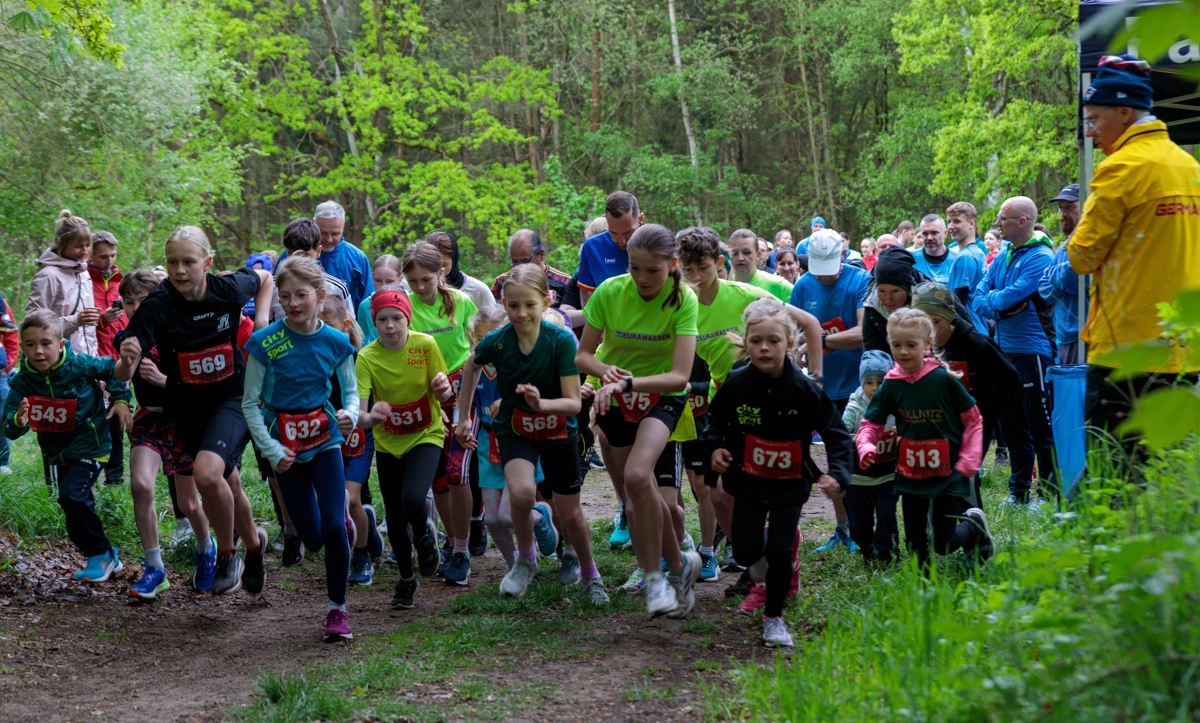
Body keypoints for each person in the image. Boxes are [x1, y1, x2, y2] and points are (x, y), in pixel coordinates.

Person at [117, 226, 275, 596]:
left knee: (207, 475)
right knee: (229, 482)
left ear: (207, 262)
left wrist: (263, 322)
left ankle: (226, 554)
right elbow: (125, 365)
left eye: (189, 262)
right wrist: (126, 364)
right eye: (172, 262)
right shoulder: (158, 304)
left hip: (230, 399)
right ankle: (254, 547)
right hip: (185, 404)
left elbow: (266, 276)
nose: (180, 270)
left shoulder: (229, 289)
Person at [1069, 54, 1200, 464]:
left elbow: (1081, 256)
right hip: (1183, 351)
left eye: (1093, 120)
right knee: (1169, 476)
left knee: (1116, 477)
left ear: (1124, 111)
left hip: (1124, 353)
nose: (1090, 133)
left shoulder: (1120, 169)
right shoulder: (1189, 166)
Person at [677, 227, 824, 587]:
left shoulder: (744, 295)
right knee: (717, 493)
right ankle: (756, 562)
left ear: (720, 264)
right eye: (687, 270)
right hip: (724, 405)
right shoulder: (680, 306)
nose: (695, 278)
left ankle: (773, 561)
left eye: (703, 268)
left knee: (766, 488)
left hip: (767, 404)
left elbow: (810, 324)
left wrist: (816, 380)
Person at [704, 297, 853, 648]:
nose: (764, 348)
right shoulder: (737, 382)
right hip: (750, 479)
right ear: (746, 342)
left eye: (773, 341)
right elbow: (715, 419)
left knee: (780, 552)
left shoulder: (804, 388)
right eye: (756, 341)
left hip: (790, 482)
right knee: (744, 550)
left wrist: (839, 474)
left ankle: (774, 617)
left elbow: (835, 432)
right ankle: (769, 564)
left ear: (789, 343)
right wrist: (715, 447)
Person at [455, 264, 609, 603]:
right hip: (515, 429)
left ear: (547, 301)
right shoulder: (497, 340)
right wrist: (464, 416)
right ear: (504, 304)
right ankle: (526, 559)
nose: (521, 313)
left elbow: (572, 404)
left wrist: (542, 404)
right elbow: (471, 365)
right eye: (513, 306)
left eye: (529, 305)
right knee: (522, 495)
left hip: (557, 430)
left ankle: (590, 573)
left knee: (570, 514)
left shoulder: (561, 341)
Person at [576, 223, 703, 619]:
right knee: (637, 499)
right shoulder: (611, 292)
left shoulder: (683, 299)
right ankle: (674, 571)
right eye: (635, 269)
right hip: (612, 399)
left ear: (672, 264)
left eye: (653, 271)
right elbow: (583, 356)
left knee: (637, 475)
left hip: (661, 398)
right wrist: (607, 372)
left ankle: (656, 577)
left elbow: (680, 375)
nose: (643, 279)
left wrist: (629, 382)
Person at [243, 256, 359, 641]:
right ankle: (337, 520)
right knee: (312, 538)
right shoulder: (263, 342)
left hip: (325, 440)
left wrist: (350, 415)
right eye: (286, 296)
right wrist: (272, 450)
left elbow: (352, 392)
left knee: (333, 529)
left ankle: (337, 610)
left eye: (302, 296)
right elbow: (249, 403)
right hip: (284, 445)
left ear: (320, 295)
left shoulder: (337, 341)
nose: (293, 304)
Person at [855, 308, 993, 571]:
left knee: (944, 543)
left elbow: (973, 419)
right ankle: (924, 596)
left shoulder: (942, 379)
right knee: (916, 544)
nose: (903, 352)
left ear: (927, 344)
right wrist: (866, 444)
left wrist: (970, 458)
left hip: (947, 473)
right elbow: (872, 422)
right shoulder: (891, 384)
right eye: (896, 345)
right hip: (910, 475)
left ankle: (974, 524)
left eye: (911, 345)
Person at [3, 310, 132, 583]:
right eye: (30, 344)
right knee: (69, 505)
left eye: (45, 343)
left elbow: (112, 369)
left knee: (72, 495)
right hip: (56, 452)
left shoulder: (81, 365)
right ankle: (106, 554)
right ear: (22, 346)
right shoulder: (23, 379)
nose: (38, 351)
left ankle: (101, 554)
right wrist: (19, 419)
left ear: (60, 344)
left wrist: (120, 399)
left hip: (91, 443)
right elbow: (9, 429)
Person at [355, 289, 453, 609]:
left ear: (407, 318)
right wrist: (372, 416)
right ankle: (407, 579)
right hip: (388, 443)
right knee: (395, 517)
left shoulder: (426, 345)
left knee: (413, 498)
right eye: (382, 319)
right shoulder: (367, 357)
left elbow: (442, 391)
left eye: (397, 318)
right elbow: (360, 413)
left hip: (426, 434)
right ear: (375, 322)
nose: (390, 325)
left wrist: (443, 389)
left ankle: (425, 537)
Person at [118, 270, 213, 598]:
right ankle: (154, 568)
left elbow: (198, 381)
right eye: (127, 302)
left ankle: (206, 549)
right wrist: (127, 364)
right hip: (148, 421)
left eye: (141, 300)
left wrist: (163, 380)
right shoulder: (129, 335)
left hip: (182, 420)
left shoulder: (180, 331)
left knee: (188, 502)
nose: (134, 307)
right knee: (141, 485)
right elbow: (121, 373)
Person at [788, 229, 871, 553]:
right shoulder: (803, 285)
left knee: (855, 461)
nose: (824, 278)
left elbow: (863, 332)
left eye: (830, 269)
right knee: (831, 463)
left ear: (842, 256)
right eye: (818, 270)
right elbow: (792, 335)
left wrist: (819, 340)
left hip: (857, 387)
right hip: (818, 387)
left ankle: (863, 528)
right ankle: (842, 528)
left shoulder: (859, 280)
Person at [402, 242, 478, 585]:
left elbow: (478, 349)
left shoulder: (461, 303)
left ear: (441, 273)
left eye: (426, 279)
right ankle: (452, 542)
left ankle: (462, 552)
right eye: (413, 280)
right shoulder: (406, 309)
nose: (420, 287)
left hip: (464, 393)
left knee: (458, 471)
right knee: (439, 480)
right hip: (427, 398)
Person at [972, 197, 1056, 504]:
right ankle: (1018, 493)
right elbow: (979, 298)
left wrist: (996, 303)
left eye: (1003, 218)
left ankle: (1047, 496)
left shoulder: (1041, 257)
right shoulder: (1005, 254)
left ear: (1023, 221)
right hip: (1004, 352)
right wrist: (999, 309)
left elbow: (1012, 296)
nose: (997, 223)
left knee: (1041, 429)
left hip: (1033, 352)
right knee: (1012, 427)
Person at [912, 282, 1019, 508]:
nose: (928, 329)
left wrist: (985, 415)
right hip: (940, 422)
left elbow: (1010, 378)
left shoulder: (975, 343)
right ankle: (947, 530)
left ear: (949, 317)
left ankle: (974, 529)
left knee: (963, 475)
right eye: (921, 323)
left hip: (976, 421)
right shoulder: (918, 346)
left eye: (935, 322)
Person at [317, 295, 384, 584]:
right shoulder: (311, 358)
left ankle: (362, 555)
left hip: (358, 438)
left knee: (350, 496)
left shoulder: (361, 358)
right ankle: (362, 527)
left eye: (329, 327)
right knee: (332, 501)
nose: (323, 334)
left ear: (345, 325)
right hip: (323, 438)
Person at [841, 350, 898, 564]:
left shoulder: (896, 405)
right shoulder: (855, 408)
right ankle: (866, 548)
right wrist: (856, 439)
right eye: (869, 382)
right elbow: (840, 435)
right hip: (858, 479)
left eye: (880, 382)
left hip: (887, 476)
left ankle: (889, 555)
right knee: (860, 525)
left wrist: (900, 433)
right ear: (862, 384)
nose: (875, 388)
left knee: (886, 517)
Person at [83, 231, 129, 487]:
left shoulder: (121, 281)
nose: (109, 260)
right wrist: (102, 319)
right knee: (92, 417)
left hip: (119, 362)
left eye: (112, 255)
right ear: (91, 253)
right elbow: (80, 321)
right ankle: (89, 472)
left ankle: (115, 478)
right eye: (103, 256)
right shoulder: (83, 280)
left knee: (116, 418)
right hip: (92, 359)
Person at [28, 210, 99, 358]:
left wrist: (95, 364)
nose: (85, 251)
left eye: (88, 245)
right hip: (58, 363)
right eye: (78, 246)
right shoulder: (48, 276)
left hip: (86, 363)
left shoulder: (84, 273)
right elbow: (32, 325)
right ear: (60, 244)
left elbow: (89, 333)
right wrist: (75, 320)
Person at [1039, 184, 1088, 366]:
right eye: (1060, 208)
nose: (1063, 213)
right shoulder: (1062, 248)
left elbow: (1078, 279)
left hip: (1087, 338)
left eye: (1070, 207)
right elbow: (1044, 291)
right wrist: (1062, 274)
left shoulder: (1090, 244)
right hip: (1066, 339)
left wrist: (1053, 274)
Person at [577, 191, 643, 307]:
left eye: (628, 232)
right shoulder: (592, 248)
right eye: (613, 233)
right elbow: (588, 306)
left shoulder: (657, 244)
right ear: (606, 220)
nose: (621, 241)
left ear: (640, 219)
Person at [281, 219, 354, 316]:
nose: (297, 261)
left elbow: (348, 326)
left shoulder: (336, 289)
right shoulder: (273, 287)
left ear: (318, 251)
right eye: (291, 253)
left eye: (305, 255)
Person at [490, 229, 572, 304]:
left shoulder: (564, 283)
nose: (520, 267)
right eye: (515, 262)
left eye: (526, 261)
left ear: (541, 255)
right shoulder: (502, 282)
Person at [425, 230, 496, 315]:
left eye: (444, 265)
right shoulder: (420, 291)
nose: (439, 272)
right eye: (432, 266)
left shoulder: (479, 291)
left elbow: (493, 324)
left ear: (454, 260)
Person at [946, 203, 988, 332]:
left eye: (957, 221)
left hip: (969, 330)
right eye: (949, 221)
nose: (951, 226)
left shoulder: (965, 257)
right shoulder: (979, 253)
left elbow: (959, 303)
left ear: (971, 223)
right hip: (980, 328)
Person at [728, 229, 792, 302]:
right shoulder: (724, 287)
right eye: (734, 253)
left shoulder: (779, 286)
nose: (740, 258)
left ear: (758, 255)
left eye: (746, 252)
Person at [356, 254, 404, 346]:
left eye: (390, 281)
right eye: (378, 280)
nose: (383, 286)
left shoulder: (409, 302)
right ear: (372, 277)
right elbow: (362, 339)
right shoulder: (365, 306)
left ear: (400, 279)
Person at [910, 214, 958, 286]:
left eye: (934, 233)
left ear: (945, 233)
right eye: (925, 233)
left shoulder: (957, 259)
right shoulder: (911, 259)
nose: (929, 238)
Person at [0, 292, 18, 476]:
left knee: (2, 417)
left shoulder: (1, 303)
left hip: (0, 373)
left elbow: (11, 334)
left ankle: (2, 461)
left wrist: (9, 363)